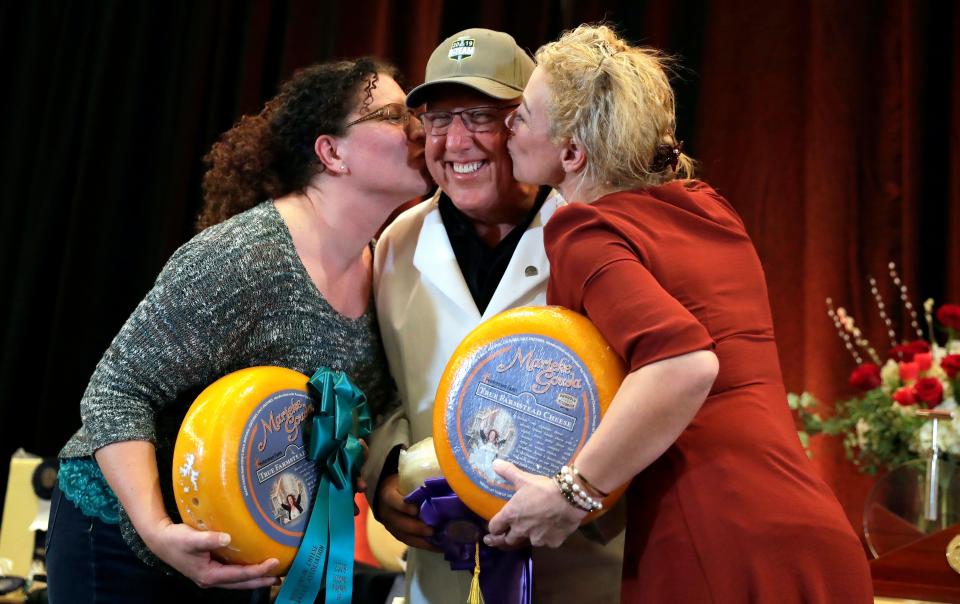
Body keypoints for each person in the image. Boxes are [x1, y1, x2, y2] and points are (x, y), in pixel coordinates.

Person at [484, 24, 874, 602]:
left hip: (714, 539)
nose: (507, 125)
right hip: (811, 532)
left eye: (524, 114)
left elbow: (684, 364)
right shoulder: (708, 207)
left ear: (572, 152)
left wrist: (571, 495)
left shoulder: (584, 229)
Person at [46, 58, 432, 603]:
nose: (420, 129)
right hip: (119, 540)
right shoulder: (246, 258)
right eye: (395, 115)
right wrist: (158, 531)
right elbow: (115, 391)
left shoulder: (386, 269)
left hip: (232, 552)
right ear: (332, 152)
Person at [363, 28, 625, 603]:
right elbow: (378, 389)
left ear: (526, 123)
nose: (456, 141)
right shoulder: (396, 243)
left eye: (480, 116)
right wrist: (381, 474)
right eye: (437, 119)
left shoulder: (597, 233)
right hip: (440, 569)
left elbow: (651, 390)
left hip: (577, 567)